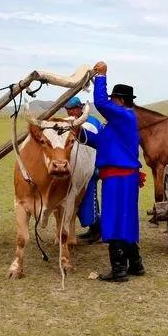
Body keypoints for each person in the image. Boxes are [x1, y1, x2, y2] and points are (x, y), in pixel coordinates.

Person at [78, 61, 145, 282]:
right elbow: (102, 143)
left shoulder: (124, 116)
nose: (111, 103)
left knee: (114, 218)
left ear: (120, 101)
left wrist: (101, 76)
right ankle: (135, 265)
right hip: (121, 176)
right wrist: (79, 134)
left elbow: (100, 101)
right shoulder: (117, 124)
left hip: (119, 177)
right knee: (125, 218)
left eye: (113, 100)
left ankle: (119, 271)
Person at [65, 96, 103, 244]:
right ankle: (93, 229)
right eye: (68, 110)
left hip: (92, 166)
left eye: (73, 109)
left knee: (88, 201)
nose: (71, 113)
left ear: (80, 108)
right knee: (78, 202)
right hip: (78, 168)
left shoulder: (92, 122)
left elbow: (98, 143)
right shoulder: (70, 122)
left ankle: (97, 230)